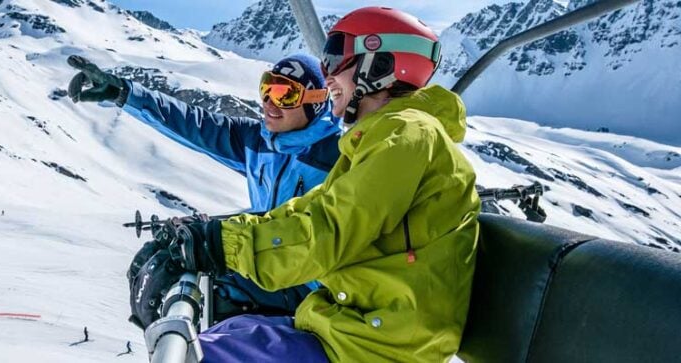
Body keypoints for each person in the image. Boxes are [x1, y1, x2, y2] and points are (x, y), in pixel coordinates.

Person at [129, 7, 480, 363]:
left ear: (381, 65)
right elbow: (312, 209)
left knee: (198, 354)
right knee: (221, 335)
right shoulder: (376, 139)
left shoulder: (405, 133)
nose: (328, 74)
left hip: (373, 342)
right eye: (267, 90)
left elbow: (329, 227)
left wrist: (220, 244)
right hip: (348, 324)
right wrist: (215, 235)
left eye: (336, 58)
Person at [66, 53, 343, 324]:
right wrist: (124, 93)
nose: (270, 103)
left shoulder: (337, 156)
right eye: (266, 88)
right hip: (269, 266)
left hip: (317, 287)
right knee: (176, 272)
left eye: (286, 94)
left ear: (315, 103)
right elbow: (193, 122)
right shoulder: (260, 141)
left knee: (216, 297)